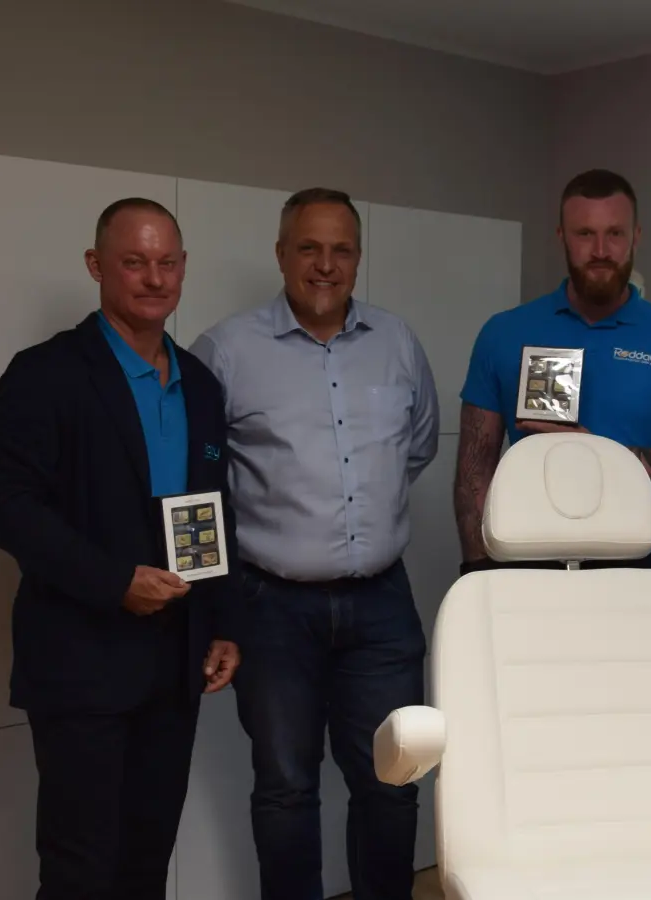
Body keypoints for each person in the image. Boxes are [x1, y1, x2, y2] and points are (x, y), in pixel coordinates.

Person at [0, 198, 241, 899]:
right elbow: (3, 507)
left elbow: (211, 513)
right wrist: (113, 579)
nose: (154, 278)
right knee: (80, 867)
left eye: (167, 263)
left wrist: (219, 625)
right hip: (80, 658)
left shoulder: (203, 386)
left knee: (146, 860)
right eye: (134, 262)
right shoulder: (45, 375)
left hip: (175, 658)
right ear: (97, 266)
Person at [188, 187, 439, 900]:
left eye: (341, 250)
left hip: (382, 610)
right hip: (272, 609)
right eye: (309, 247)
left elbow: (413, 450)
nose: (325, 265)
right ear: (280, 254)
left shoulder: (397, 342)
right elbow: (202, 475)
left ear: (358, 258)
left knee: (393, 781)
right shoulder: (226, 351)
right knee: (286, 787)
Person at [455, 169, 651, 572]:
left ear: (635, 237)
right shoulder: (504, 333)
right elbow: (474, 468)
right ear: (562, 237)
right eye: (585, 234)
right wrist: (478, 568)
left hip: (632, 557)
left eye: (615, 234)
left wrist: (601, 457)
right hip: (524, 557)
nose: (601, 249)